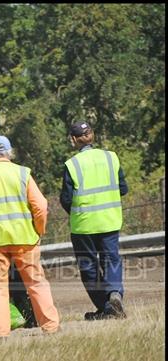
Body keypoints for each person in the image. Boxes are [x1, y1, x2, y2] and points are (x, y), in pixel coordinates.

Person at [0, 135, 60, 338]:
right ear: (10, 152)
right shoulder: (23, 173)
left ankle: (0, 332)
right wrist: (39, 230)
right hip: (25, 238)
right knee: (36, 282)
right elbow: (41, 206)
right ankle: (50, 327)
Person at [60, 120, 128, 320]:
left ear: (73, 140)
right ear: (92, 134)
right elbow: (123, 189)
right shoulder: (111, 158)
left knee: (88, 266)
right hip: (109, 220)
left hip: (84, 225)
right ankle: (114, 294)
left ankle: (105, 307)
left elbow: (66, 199)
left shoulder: (72, 164)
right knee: (111, 260)